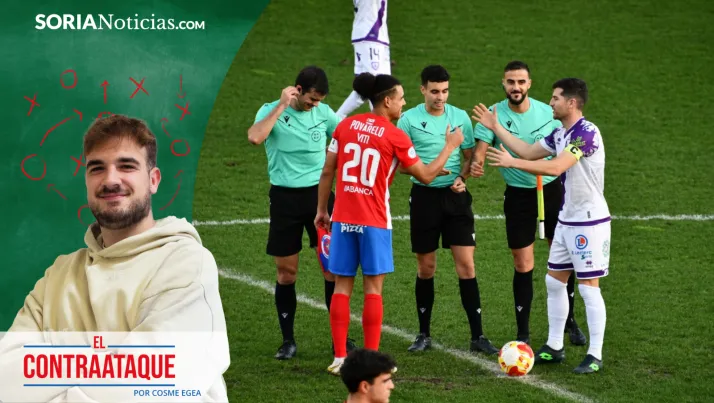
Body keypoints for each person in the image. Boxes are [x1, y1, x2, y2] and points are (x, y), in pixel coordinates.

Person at [0, 114, 230, 402]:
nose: (110, 180)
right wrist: (110, 361)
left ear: (153, 180)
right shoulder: (58, 276)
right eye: (97, 168)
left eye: (126, 166)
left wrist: (55, 363)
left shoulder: (184, 263)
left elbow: (154, 389)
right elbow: (6, 380)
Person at [315, 72, 464, 375]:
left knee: (342, 287)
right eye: (401, 98)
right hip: (374, 221)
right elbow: (425, 176)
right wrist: (450, 146)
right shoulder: (395, 136)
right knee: (373, 289)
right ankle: (371, 359)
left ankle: (340, 358)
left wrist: (322, 210)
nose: (404, 103)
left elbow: (328, 171)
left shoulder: (345, 126)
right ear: (387, 101)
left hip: (342, 218)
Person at [474, 77, 609, 374]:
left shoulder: (585, 133)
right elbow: (527, 151)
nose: (550, 103)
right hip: (566, 219)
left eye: (555, 98)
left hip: (589, 222)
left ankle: (595, 354)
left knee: (588, 289)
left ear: (571, 103)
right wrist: (496, 128)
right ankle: (554, 346)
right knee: (554, 281)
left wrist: (512, 163)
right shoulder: (560, 133)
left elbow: (555, 167)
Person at [470, 60, 586, 346]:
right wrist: (477, 163)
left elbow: (559, 149)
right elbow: (481, 150)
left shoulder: (549, 112)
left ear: (529, 84)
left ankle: (570, 320)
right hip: (518, 195)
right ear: (503, 83)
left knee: (563, 258)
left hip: (552, 191)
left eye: (521, 82)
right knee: (522, 262)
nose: (516, 87)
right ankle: (523, 333)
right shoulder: (494, 114)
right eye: (511, 82)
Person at [247, 65, 356, 360]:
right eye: (311, 99)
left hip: (319, 196)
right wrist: (281, 106)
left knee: (333, 269)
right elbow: (255, 137)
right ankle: (288, 341)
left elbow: (347, 139)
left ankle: (340, 340)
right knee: (286, 273)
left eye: (319, 100)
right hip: (284, 199)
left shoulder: (323, 113)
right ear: (297, 90)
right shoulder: (271, 110)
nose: (314, 105)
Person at [396, 65, 498, 355]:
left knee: (466, 266)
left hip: (456, 199)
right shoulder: (408, 120)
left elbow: (469, 157)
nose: (440, 97)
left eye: (444, 91)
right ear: (423, 90)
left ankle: (478, 336)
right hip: (424, 198)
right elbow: (401, 166)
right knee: (426, 267)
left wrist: (463, 176)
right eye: (434, 91)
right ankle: (423, 334)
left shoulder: (459, 117)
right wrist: (427, 171)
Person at [336, 0, 391, 121]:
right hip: (370, 35)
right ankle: (380, 124)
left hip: (377, 36)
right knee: (373, 85)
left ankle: (336, 119)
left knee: (383, 86)